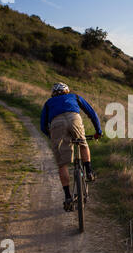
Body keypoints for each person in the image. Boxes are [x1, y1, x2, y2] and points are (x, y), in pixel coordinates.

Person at [40, 82, 102, 211]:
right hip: (74, 119)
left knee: (62, 164)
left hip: (56, 123)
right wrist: (98, 131)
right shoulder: (74, 97)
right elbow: (92, 113)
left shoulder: (48, 103)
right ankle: (89, 171)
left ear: (53, 94)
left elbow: (43, 126)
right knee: (83, 143)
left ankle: (68, 197)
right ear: (67, 91)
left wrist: (52, 136)